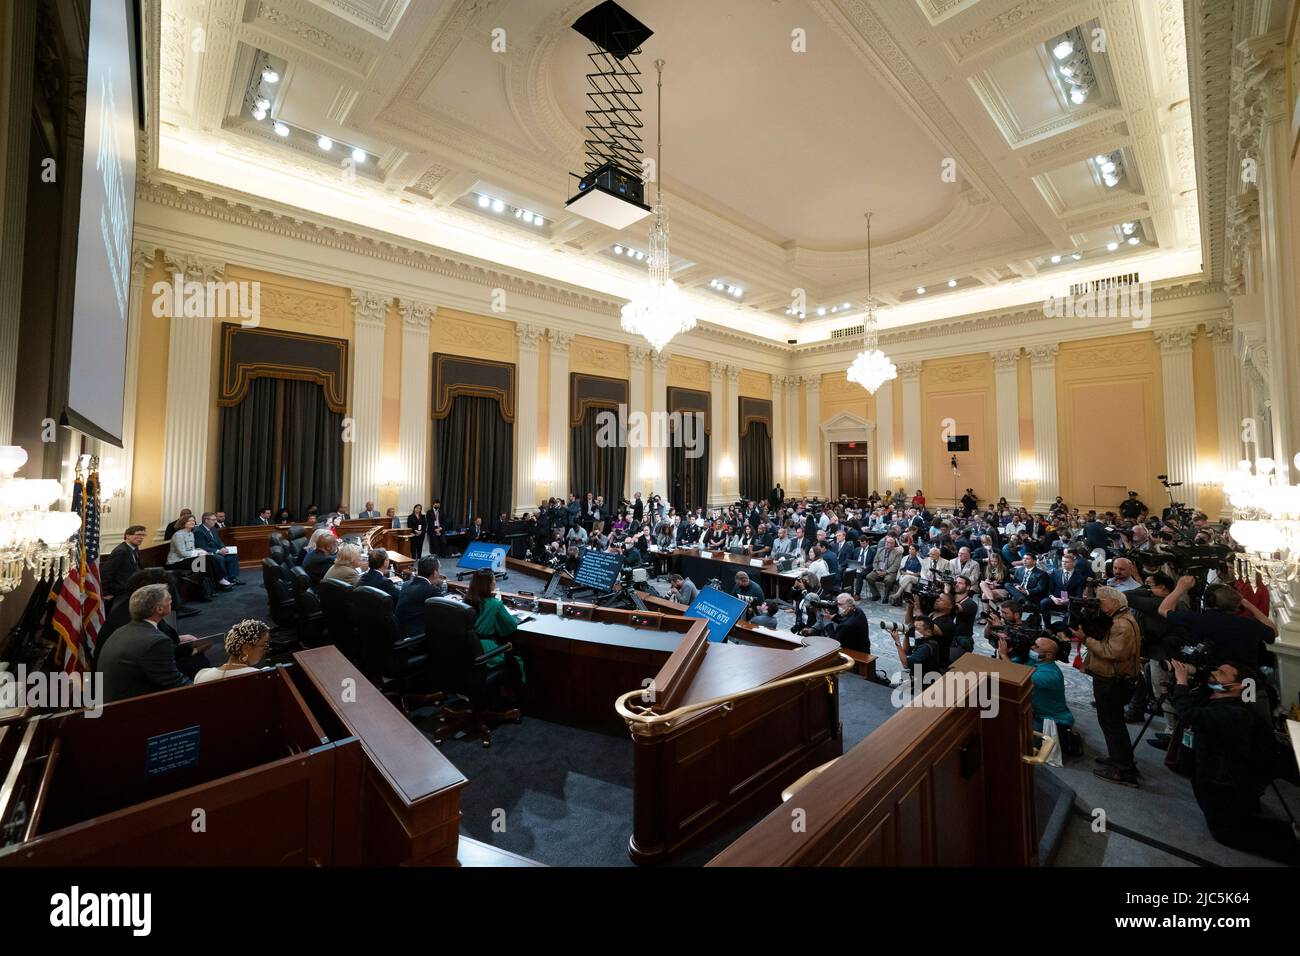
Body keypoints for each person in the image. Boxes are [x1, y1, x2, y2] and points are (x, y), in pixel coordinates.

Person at [1169, 659, 1299, 864]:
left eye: (1221, 673)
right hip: (1216, 777)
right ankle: (1290, 831)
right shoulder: (1223, 700)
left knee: (1227, 832)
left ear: (1237, 686)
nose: (1214, 673)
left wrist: (1181, 684)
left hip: (1221, 782)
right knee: (1244, 822)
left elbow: (1189, 715)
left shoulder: (1235, 712)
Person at [1075, 586, 1142, 786]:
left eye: (1101, 601)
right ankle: (1118, 758)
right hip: (1110, 677)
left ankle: (1123, 768)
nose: (1099, 604)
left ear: (1114, 602)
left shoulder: (1121, 624)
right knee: (1110, 721)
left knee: (1113, 723)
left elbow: (1112, 653)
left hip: (1113, 680)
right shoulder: (1120, 619)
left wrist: (1085, 639)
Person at [97, 584, 192, 702]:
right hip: (131, 709)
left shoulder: (121, 630)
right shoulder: (157, 641)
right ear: (159, 609)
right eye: (169, 600)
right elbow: (175, 682)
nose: (171, 601)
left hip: (112, 702)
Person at [1158, 576, 1276, 667]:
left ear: (1209, 601)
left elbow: (1163, 609)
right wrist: (1248, 604)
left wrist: (1180, 588)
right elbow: (1274, 632)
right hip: (1248, 678)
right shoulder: (1249, 624)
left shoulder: (1197, 619)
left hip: (1211, 676)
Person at [464, 568, 524, 719]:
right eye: (493, 580)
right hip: (484, 652)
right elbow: (509, 628)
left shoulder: (465, 602)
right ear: (489, 585)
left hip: (466, 651)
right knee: (517, 660)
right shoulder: (494, 604)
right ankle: (516, 702)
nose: (495, 582)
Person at [998, 632, 1074, 737]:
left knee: (1019, 739)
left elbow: (1016, 677)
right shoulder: (1034, 661)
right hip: (1035, 712)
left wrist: (1003, 655)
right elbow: (1008, 665)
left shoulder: (1050, 674)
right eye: (1033, 644)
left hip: (1051, 720)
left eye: (1036, 647)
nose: (1032, 648)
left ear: (1048, 655)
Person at [165, 514, 232, 591]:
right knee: (205, 561)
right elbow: (182, 553)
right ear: (183, 523)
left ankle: (214, 584)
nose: (192, 522)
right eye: (189, 521)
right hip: (176, 562)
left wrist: (199, 551)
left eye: (193, 520)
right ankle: (217, 582)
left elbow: (191, 550)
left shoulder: (190, 533)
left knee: (209, 558)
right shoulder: (178, 535)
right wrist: (198, 553)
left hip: (186, 559)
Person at [194, 620, 271, 683]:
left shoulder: (201, 676)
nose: (265, 650)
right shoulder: (260, 676)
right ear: (246, 648)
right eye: (263, 645)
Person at [395, 555, 447, 636]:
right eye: (439, 569)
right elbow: (446, 611)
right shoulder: (431, 591)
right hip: (415, 639)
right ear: (435, 573)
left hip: (399, 632)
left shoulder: (406, 584)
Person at [195, 512, 242, 585]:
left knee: (233, 556)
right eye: (213, 520)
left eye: (215, 519)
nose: (215, 521)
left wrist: (223, 548)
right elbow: (202, 546)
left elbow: (219, 541)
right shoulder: (199, 531)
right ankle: (222, 580)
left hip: (218, 551)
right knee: (220, 558)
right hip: (208, 553)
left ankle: (232, 578)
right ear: (206, 520)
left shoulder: (214, 529)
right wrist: (218, 551)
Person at [102, 525, 147, 600]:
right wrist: (106, 593)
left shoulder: (134, 548)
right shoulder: (121, 551)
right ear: (128, 536)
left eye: (143, 535)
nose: (141, 537)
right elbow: (106, 572)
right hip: (121, 592)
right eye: (138, 534)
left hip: (132, 588)